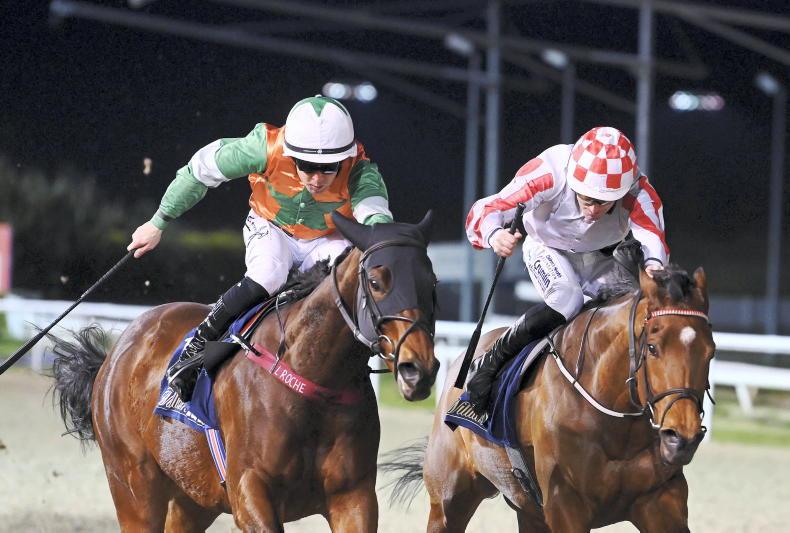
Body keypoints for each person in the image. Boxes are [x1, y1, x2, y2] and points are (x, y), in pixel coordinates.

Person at [127, 95, 393, 401]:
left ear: (345, 159)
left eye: (328, 168)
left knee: (353, 276)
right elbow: (199, 171)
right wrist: (158, 222)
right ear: (292, 155)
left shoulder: (362, 172)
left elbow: (377, 221)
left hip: (327, 239)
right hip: (272, 226)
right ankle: (197, 346)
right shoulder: (264, 147)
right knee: (268, 274)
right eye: (307, 166)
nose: (317, 179)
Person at [464, 126, 667, 416]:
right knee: (567, 299)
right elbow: (487, 208)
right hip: (547, 248)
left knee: (634, 310)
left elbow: (654, 241)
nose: (593, 210)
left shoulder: (639, 191)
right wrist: (494, 234)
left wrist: (654, 270)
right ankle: (491, 362)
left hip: (600, 257)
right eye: (586, 198)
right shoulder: (549, 171)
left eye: (603, 202)